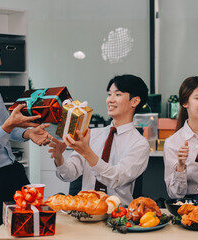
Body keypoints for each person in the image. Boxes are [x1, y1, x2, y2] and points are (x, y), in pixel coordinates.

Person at [0, 38, 50, 240]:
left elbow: (8, 130)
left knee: (31, 230)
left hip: (13, 173)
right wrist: (8, 126)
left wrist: (27, 133)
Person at [48, 74, 150, 205]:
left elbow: (116, 178)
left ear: (135, 101)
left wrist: (87, 152)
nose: (110, 100)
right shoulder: (92, 134)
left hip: (118, 214)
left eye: (117, 94)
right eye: (109, 94)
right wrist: (59, 158)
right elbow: (69, 175)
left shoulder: (139, 144)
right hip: (85, 210)